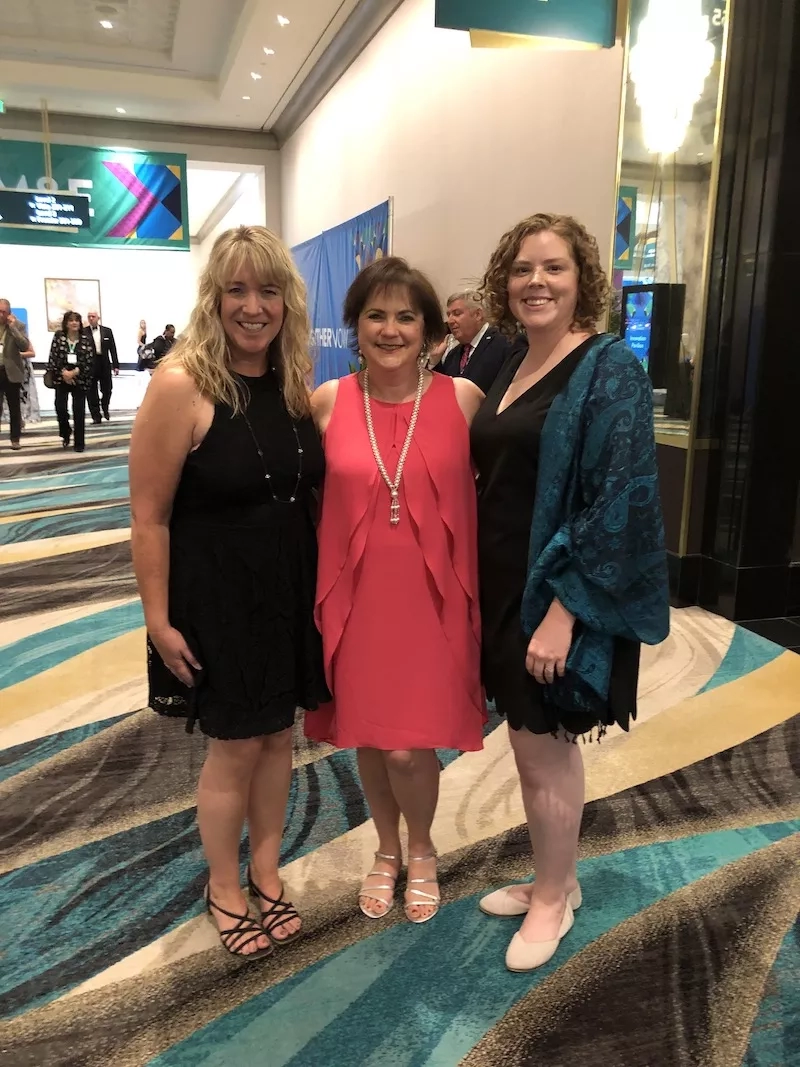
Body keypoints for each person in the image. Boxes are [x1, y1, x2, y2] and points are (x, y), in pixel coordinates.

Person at [470, 214, 669, 972]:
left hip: (554, 598)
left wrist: (564, 612)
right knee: (530, 746)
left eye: (554, 268)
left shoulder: (608, 366)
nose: (537, 282)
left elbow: (620, 500)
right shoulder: (515, 361)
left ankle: (552, 898)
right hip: (501, 584)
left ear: (582, 279)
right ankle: (556, 876)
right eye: (523, 269)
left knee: (543, 749)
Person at [129, 226, 328, 961]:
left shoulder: (292, 380)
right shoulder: (182, 384)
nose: (253, 306)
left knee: (279, 737)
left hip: (287, 587)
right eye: (236, 290)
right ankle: (223, 886)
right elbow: (148, 517)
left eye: (268, 290)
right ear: (213, 298)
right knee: (236, 746)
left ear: (287, 301)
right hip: (217, 596)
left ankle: (266, 871)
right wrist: (158, 620)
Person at [304, 257, 485, 925]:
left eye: (405, 316)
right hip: (358, 596)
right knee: (372, 736)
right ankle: (386, 849)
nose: (390, 329)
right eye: (376, 315)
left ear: (429, 329)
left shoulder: (464, 399)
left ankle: (424, 848)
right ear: (355, 326)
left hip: (434, 599)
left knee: (411, 744)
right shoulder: (327, 400)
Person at [437, 290, 511, 392]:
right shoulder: (452, 355)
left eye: (457, 314)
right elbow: (442, 391)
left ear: (477, 315)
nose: (450, 321)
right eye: (449, 315)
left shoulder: (503, 344)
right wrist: (435, 359)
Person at [49, 311, 94, 452]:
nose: (74, 323)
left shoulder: (86, 339)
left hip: (80, 379)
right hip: (61, 378)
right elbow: (53, 357)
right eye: (71, 320)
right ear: (66, 323)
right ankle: (65, 431)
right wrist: (64, 373)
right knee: (60, 407)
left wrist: (74, 373)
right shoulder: (59, 337)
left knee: (79, 411)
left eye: (77, 320)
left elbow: (89, 360)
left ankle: (79, 443)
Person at [0, 300, 36, 450]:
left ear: (9, 313)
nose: (1, 315)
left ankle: (15, 439)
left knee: (14, 407)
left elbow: (24, 346)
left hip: (12, 371)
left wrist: (13, 328)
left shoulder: (19, 325)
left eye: (3, 312)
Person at [85, 310, 119, 422]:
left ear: (98, 318)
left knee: (107, 389)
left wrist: (116, 365)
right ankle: (96, 415)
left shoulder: (107, 331)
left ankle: (105, 407)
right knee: (91, 391)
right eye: (89, 317)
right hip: (90, 363)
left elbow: (113, 349)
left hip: (104, 363)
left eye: (93, 316)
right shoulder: (84, 332)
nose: (91, 318)